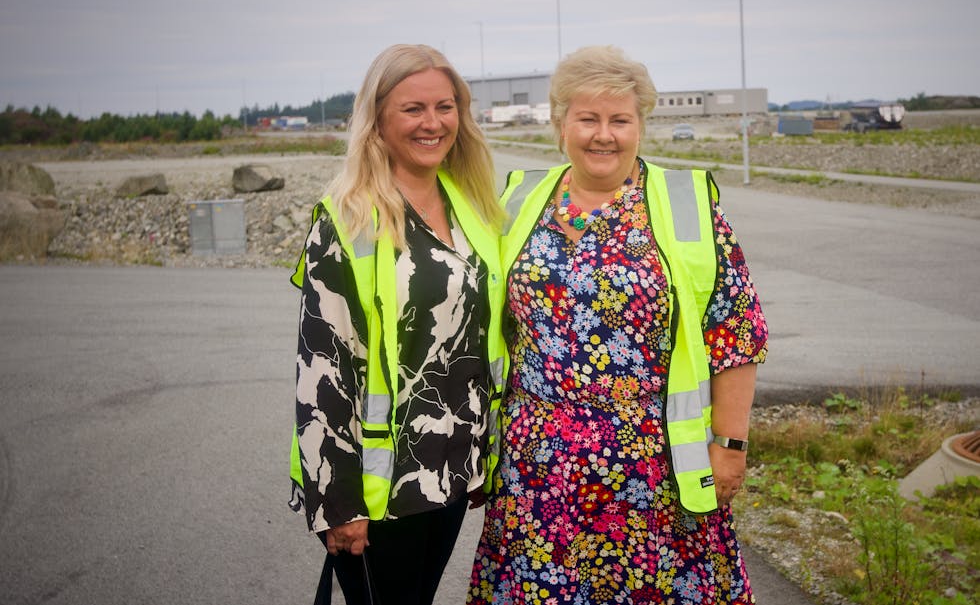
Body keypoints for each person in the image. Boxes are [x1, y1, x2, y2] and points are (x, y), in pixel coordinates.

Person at [468, 45, 769, 604]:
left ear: (641, 126)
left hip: (653, 467)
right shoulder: (516, 200)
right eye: (587, 118)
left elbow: (735, 332)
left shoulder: (686, 207)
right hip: (538, 468)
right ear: (561, 124)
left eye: (619, 120)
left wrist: (729, 445)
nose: (602, 135)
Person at [288, 43, 507, 605]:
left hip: (452, 472)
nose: (432, 123)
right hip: (377, 486)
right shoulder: (348, 217)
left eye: (445, 106)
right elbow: (323, 366)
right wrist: (336, 502)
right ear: (379, 119)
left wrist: (483, 452)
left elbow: (478, 344)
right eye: (413, 109)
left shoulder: (472, 206)